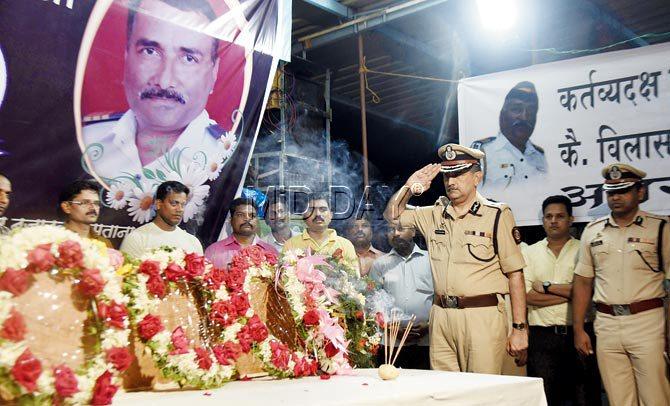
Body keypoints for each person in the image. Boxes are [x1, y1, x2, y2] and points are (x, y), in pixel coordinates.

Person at [384, 143, 528, 374]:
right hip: (440, 315)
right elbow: (392, 216)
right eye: (447, 175)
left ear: (477, 177)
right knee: (446, 392)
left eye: (459, 174)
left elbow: (515, 274)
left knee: (482, 392)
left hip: (482, 315)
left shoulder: (496, 214)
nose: (451, 182)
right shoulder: (434, 214)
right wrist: (409, 188)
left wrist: (520, 328)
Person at [83, 0, 233, 184]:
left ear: (214, 72)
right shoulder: (89, 138)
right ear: (126, 56)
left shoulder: (224, 155)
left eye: (188, 58)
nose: (164, 82)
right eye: (150, 51)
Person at [573, 163, 670, 406]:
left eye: (623, 190)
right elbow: (583, 282)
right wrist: (578, 329)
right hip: (606, 324)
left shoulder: (661, 229)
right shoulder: (593, 231)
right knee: (618, 400)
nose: (615, 197)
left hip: (648, 322)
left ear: (641, 192)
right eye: (611, 192)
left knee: (656, 398)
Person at [524, 195, 601, 405]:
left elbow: (591, 290)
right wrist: (574, 295)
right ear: (543, 221)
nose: (553, 221)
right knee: (548, 399)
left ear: (571, 220)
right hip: (542, 338)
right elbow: (528, 296)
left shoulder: (584, 249)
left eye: (559, 216)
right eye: (548, 216)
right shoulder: (530, 252)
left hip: (581, 333)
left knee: (586, 397)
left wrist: (548, 288)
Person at [370, 221, 432, 370]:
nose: (396, 233)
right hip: (391, 342)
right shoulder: (380, 264)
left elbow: (440, 298)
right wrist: (389, 327)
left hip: (426, 341)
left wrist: (430, 325)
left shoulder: (431, 260)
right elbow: (372, 302)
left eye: (401, 229)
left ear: (414, 232)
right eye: (391, 230)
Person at [470, 81, 547, 189]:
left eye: (531, 111)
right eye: (516, 109)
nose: (524, 117)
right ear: (502, 115)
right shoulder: (483, 153)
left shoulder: (540, 156)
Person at [120, 180, 203, 257]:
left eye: (183, 205)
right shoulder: (137, 239)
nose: (180, 209)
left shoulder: (193, 242)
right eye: (174, 203)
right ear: (159, 204)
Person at [284, 192, 360, 275]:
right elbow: (284, 278)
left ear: (331, 215)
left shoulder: (345, 245)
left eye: (323, 209)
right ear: (304, 216)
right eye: (311, 210)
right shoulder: (291, 244)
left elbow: (355, 280)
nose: (317, 214)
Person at [204, 197, 277, 269]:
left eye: (252, 215)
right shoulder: (213, 252)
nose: (247, 219)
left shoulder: (270, 252)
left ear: (257, 221)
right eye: (240, 215)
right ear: (231, 220)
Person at [58, 180, 113, 248]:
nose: (93, 208)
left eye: (96, 203)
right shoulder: (55, 240)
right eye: (85, 202)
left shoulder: (104, 244)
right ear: (67, 207)